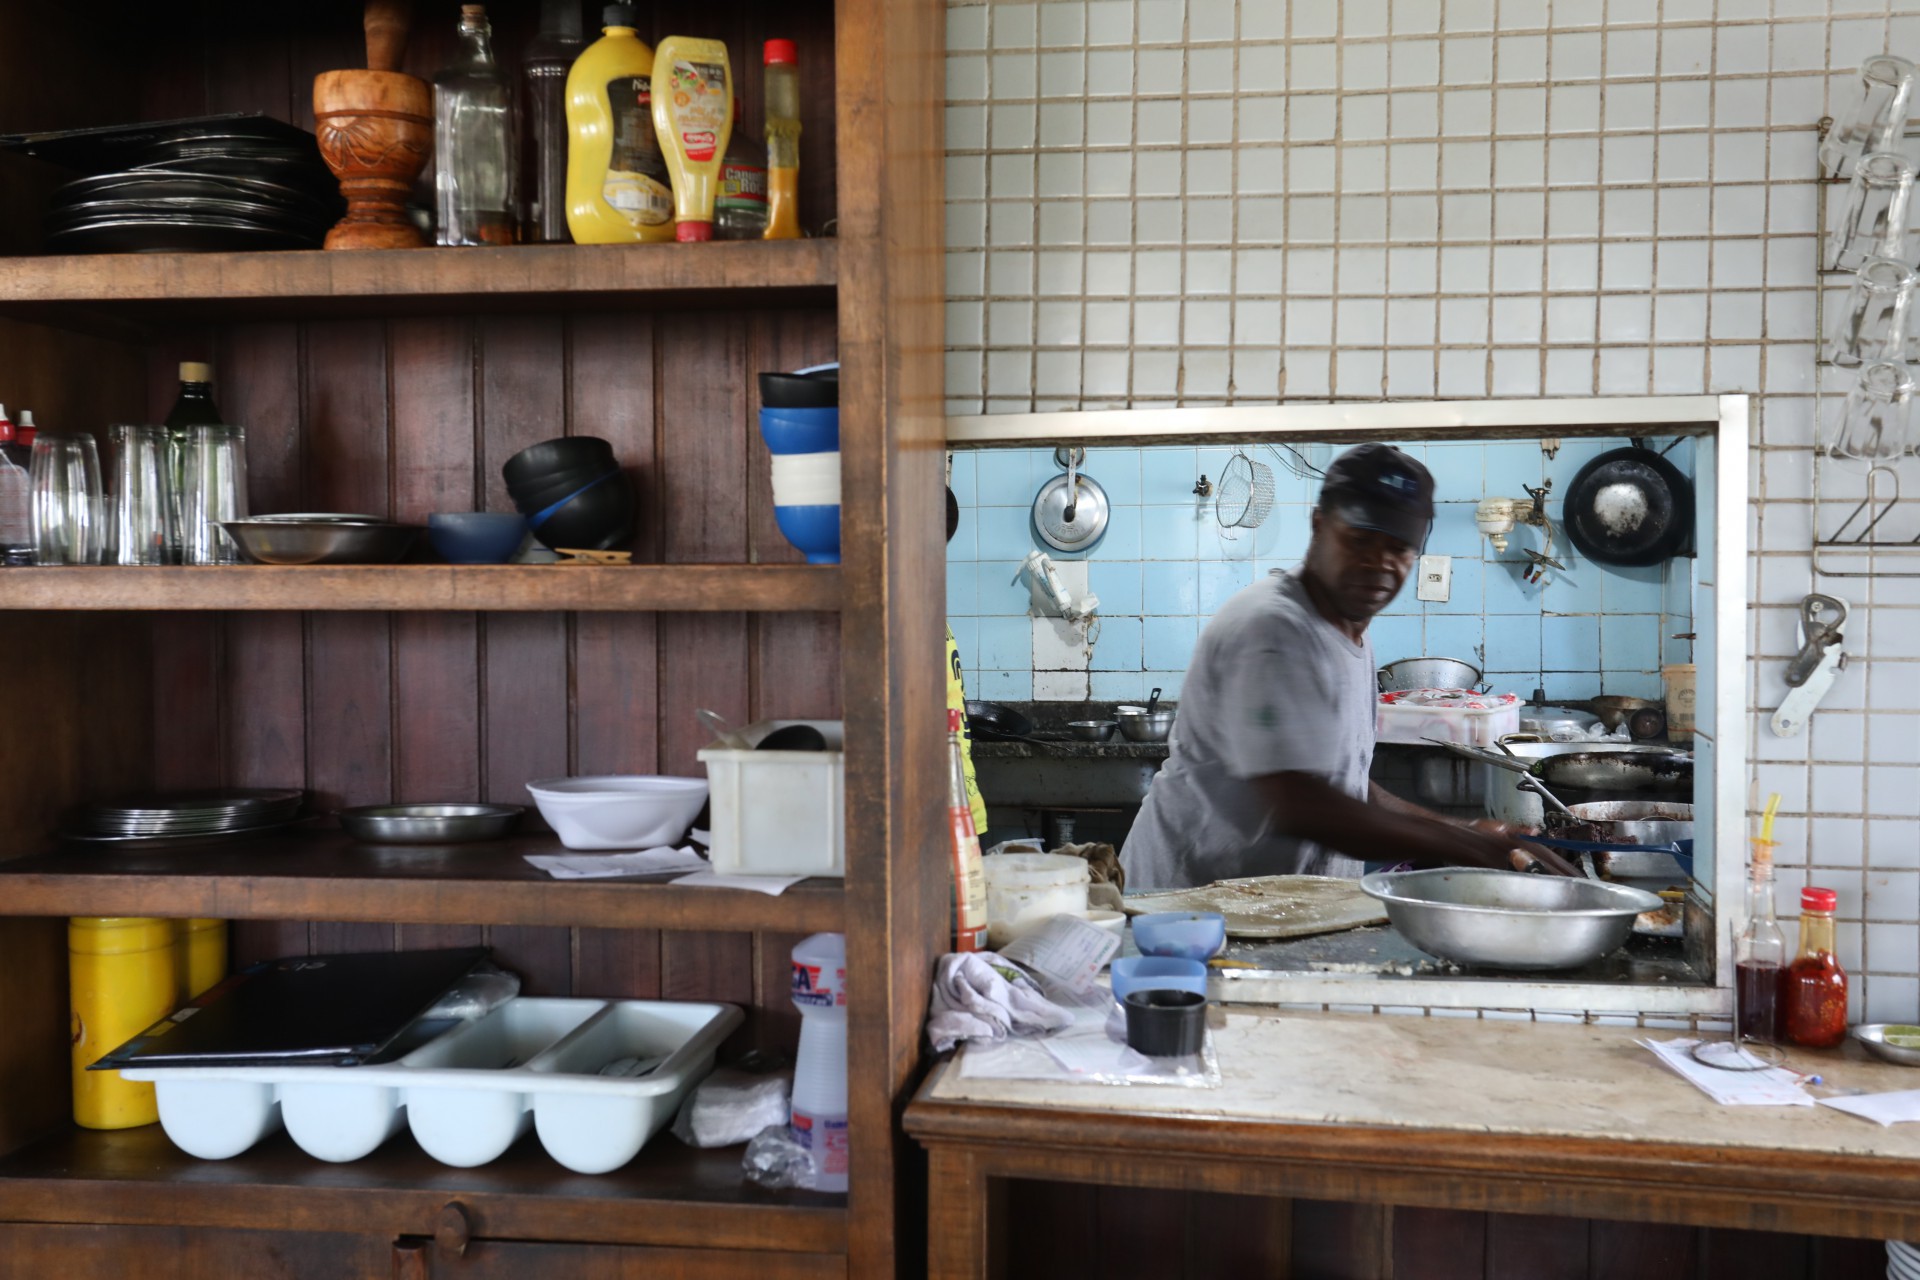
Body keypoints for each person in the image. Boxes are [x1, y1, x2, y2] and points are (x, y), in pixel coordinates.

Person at [1121, 443, 1576, 892]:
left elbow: (1345, 786)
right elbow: (1303, 805)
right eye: (1360, 538)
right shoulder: (1272, 630)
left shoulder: (1349, 633)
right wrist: (1466, 844)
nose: (1378, 562)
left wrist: (1471, 829)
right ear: (1319, 524)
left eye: (1398, 547)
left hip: (1271, 912)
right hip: (1189, 912)